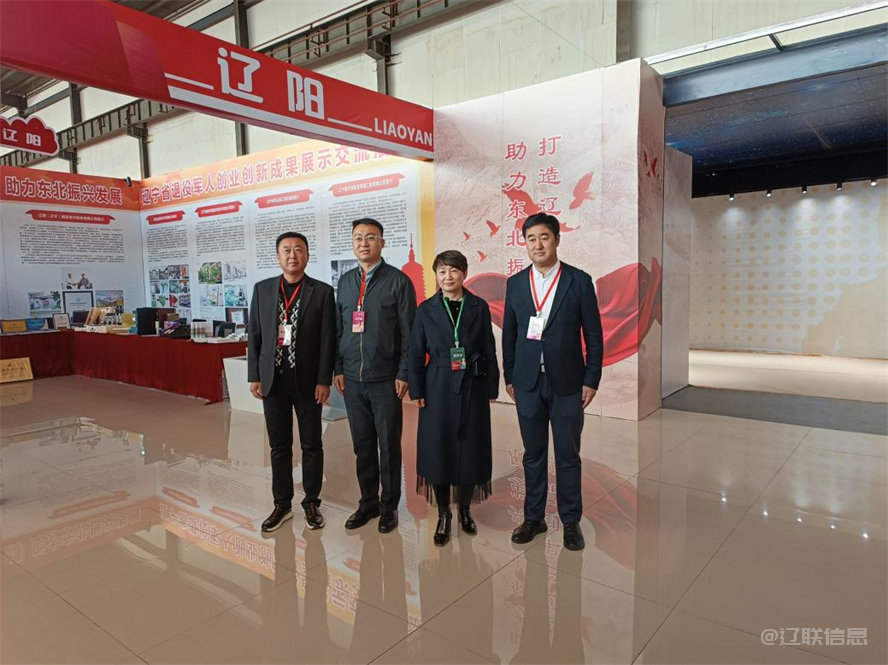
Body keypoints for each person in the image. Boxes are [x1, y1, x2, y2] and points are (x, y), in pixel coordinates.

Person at [502, 213, 604, 551]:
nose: (538, 244)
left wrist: (592, 378)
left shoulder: (579, 281)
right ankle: (534, 518)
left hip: (568, 383)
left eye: (544, 237)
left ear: (557, 240)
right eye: (531, 238)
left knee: (567, 455)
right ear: (525, 244)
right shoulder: (516, 283)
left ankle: (571, 521)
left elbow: (593, 334)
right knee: (533, 454)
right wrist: (510, 375)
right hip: (528, 383)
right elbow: (510, 334)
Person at [408, 250, 499, 546]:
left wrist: (492, 387)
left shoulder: (478, 306)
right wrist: (417, 390)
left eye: (454, 270)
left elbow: (488, 348)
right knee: (439, 447)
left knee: (471, 446)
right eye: (442, 271)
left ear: (464, 273)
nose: (448, 277)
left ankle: (465, 510)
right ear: (436, 275)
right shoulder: (426, 309)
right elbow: (415, 352)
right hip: (437, 383)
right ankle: (444, 513)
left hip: (473, 382)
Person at [248, 231, 336, 533]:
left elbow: (327, 340)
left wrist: (324, 380)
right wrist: (254, 375)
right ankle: (281, 504)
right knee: (279, 446)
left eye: (299, 249)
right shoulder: (263, 290)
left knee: (312, 444)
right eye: (286, 250)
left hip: (308, 383)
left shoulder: (322, 292)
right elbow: (255, 334)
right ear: (278, 256)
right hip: (274, 381)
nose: (292, 255)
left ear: (307, 255)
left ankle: (311, 502)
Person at [334, 218, 416, 534]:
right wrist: (338, 368)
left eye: (371, 237)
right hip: (352, 378)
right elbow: (339, 329)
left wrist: (403, 372)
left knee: (388, 444)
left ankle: (388, 507)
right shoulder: (345, 282)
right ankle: (367, 503)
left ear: (382, 242)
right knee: (363, 445)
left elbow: (409, 333)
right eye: (358, 238)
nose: (364, 243)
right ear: (352, 243)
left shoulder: (398, 281)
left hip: (385, 378)